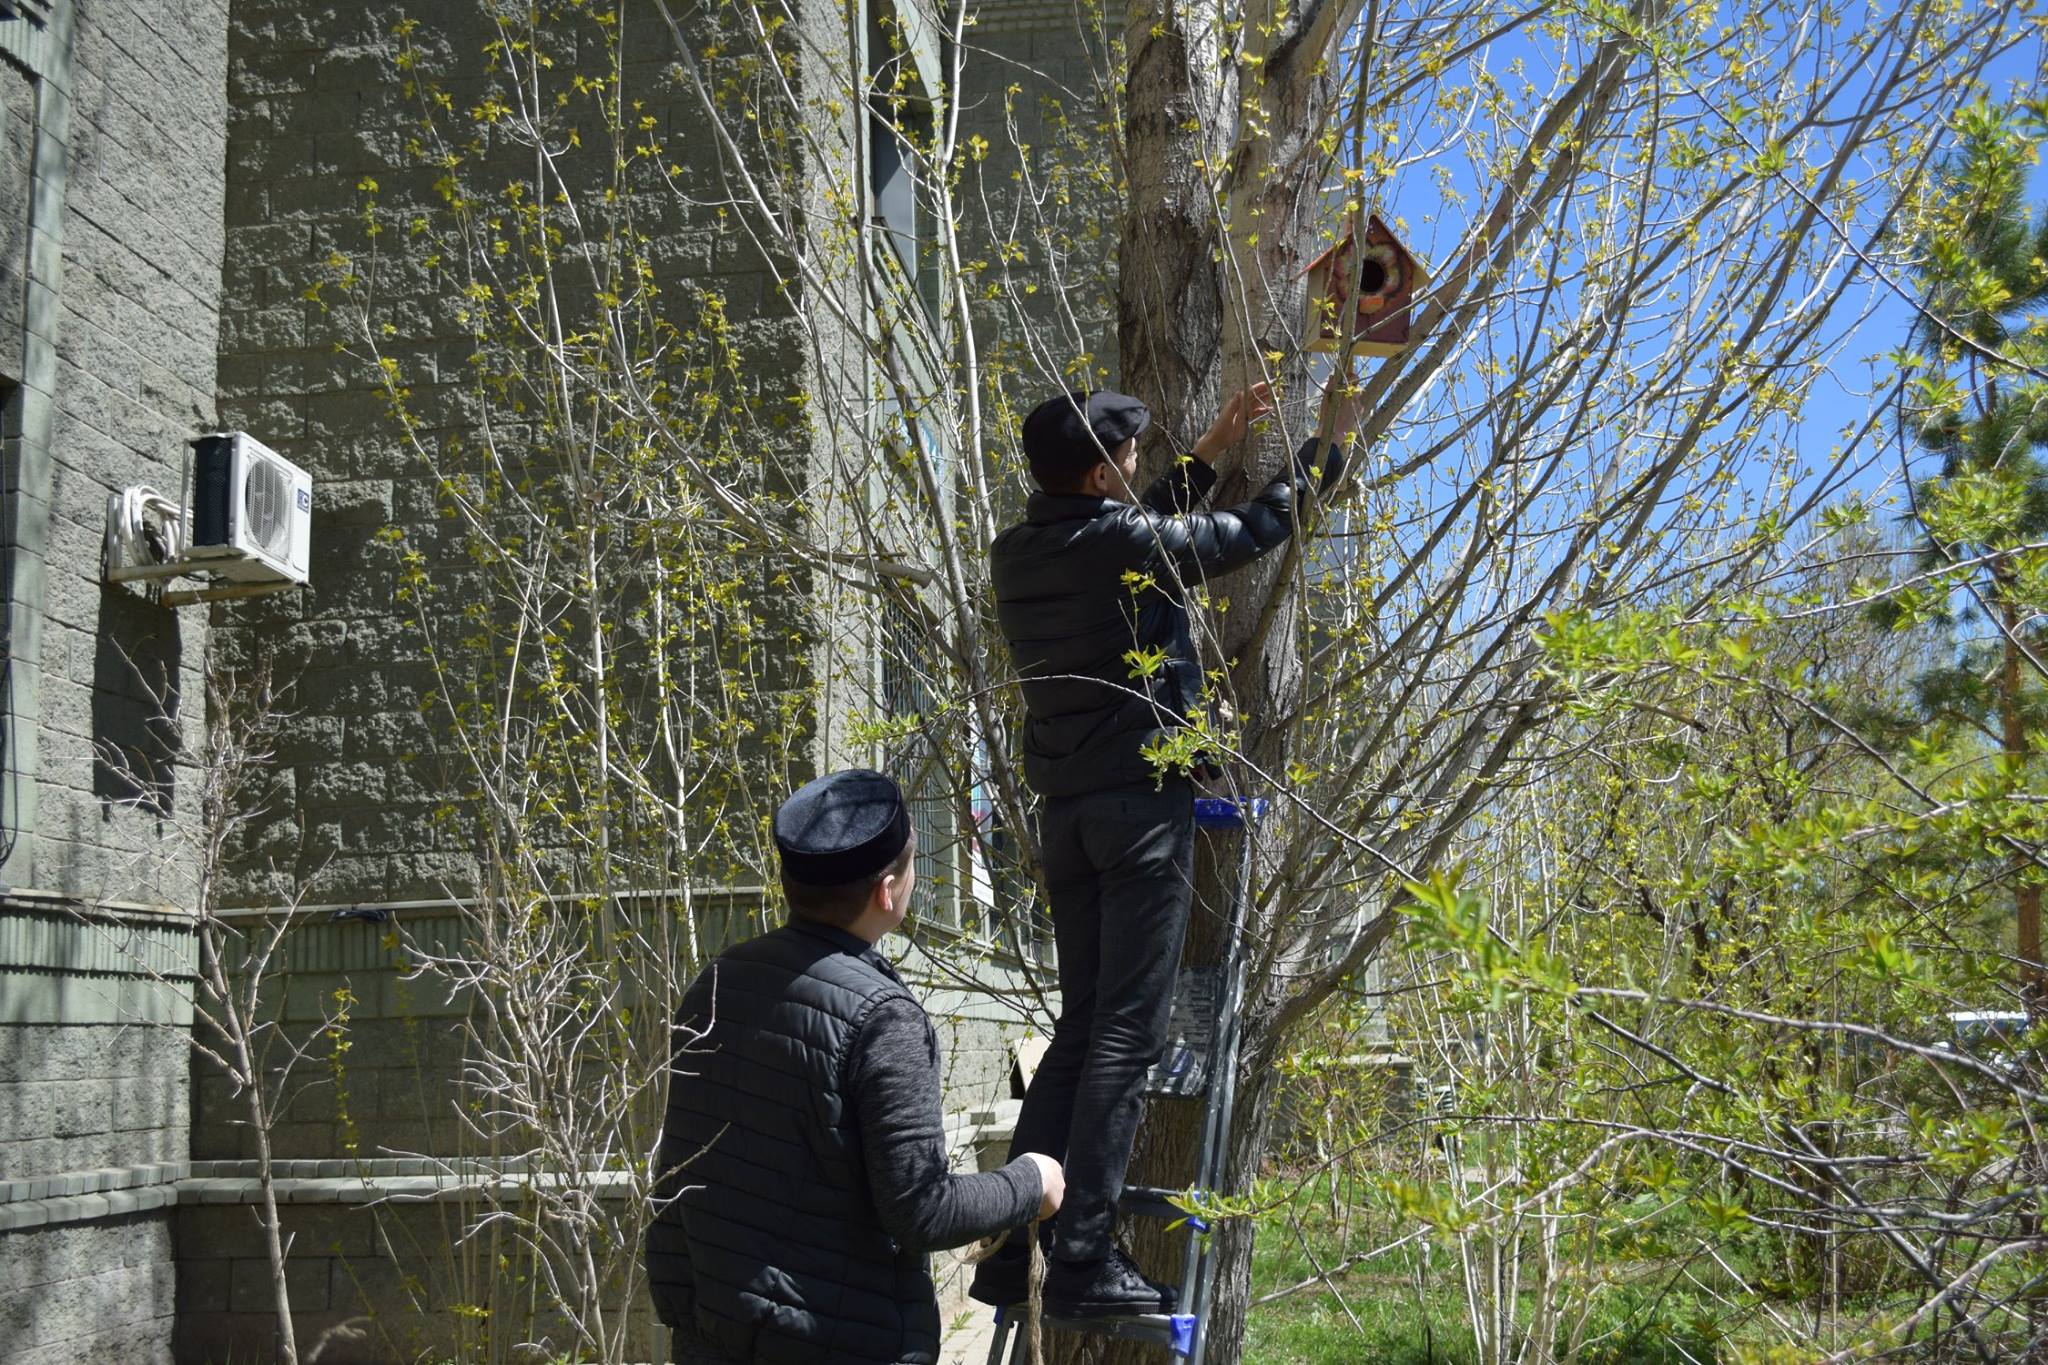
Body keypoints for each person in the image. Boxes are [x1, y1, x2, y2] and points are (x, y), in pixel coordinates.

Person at [972, 382, 1353, 1317]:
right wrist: (1327, 449)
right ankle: (1085, 1257)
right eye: (1132, 455)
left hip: (1069, 816)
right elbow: (1247, 534)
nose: (1142, 463)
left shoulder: (1018, 553)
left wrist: (1207, 453)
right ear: (1104, 472)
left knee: (1081, 1026)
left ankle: (1016, 1238)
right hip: (1141, 812)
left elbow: (1130, 552)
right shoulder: (1118, 542)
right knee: (1126, 1038)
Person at [648, 768, 1066, 1365]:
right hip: (838, 1341)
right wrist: (1031, 1182)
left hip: (715, 1334)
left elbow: (679, 1171)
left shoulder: (716, 981)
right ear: (887, 892)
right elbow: (922, 1208)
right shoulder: (883, 1018)